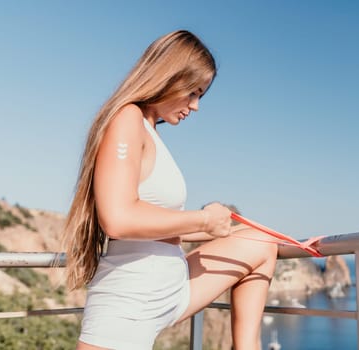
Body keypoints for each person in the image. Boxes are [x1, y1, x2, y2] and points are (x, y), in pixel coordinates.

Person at [62, 30, 278, 350]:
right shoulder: (127, 118)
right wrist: (202, 221)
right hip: (129, 307)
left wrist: (219, 224)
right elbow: (118, 218)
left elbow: (162, 226)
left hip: (169, 288)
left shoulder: (149, 130)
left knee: (261, 243)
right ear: (169, 77)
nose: (195, 106)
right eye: (193, 93)